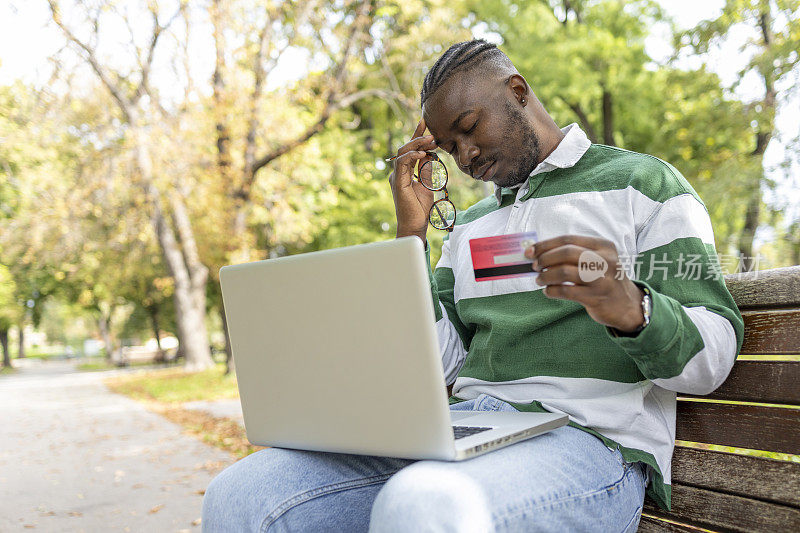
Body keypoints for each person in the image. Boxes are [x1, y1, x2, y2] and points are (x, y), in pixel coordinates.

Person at [202, 39, 743, 532]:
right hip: (466, 432)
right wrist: (410, 239)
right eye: (448, 145)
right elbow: (439, 365)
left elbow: (711, 356)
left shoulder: (644, 186)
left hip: (590, 446)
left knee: (423, 504)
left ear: (517, 91)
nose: (464, 157)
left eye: (469, 127)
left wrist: (632, 308)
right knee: (242, 495)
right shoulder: (470, 227)